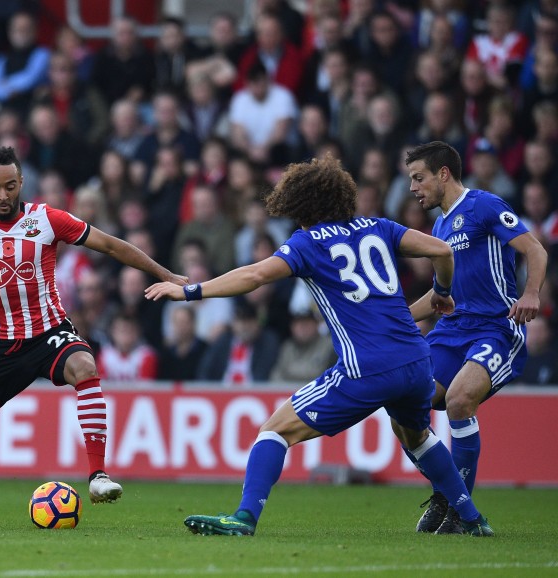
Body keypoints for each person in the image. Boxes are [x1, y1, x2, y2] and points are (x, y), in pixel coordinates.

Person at [145, 155, 494, 537]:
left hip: (366, 366)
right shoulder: (378, 227)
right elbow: (443, 251)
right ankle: (473, 519)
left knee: (274, 431)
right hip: (416, 362)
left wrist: (190, 291)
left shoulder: (308, 242)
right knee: (416, 435)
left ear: (299, 205)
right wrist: (442, 292)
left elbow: (256, 274)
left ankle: (244, 518)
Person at [0, 146, 187, 526]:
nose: (3, 195)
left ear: (21, 183)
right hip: (0, 345)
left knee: (84, 364)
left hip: (49, 331)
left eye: (10, 186)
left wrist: (166, 275)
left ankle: (98, 475)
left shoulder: (46, 219)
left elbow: (112, 245)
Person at [405, 141, 548, 533]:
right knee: (404, 401)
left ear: (444, 174)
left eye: (419, 178)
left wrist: (531, 293)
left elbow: (535, 250)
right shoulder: (439, 227)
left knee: (459, 399)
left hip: (495, 328)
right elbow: (439, 298)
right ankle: (445, 492)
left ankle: (458, 510)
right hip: (453, 329)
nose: (413, 188)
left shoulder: (483, 205)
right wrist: (394, 317)